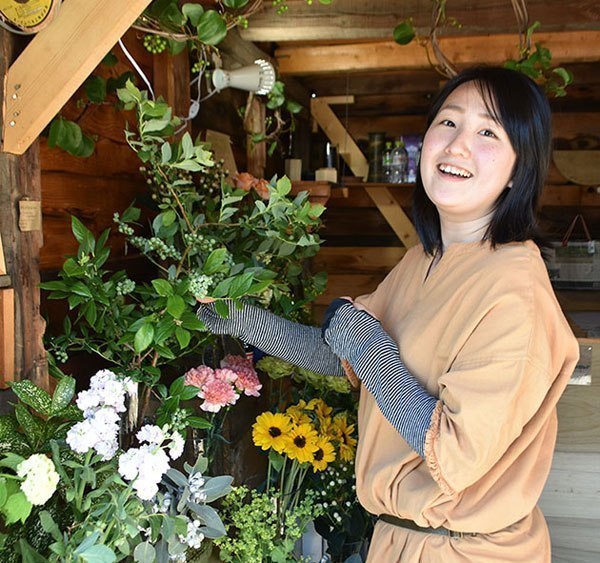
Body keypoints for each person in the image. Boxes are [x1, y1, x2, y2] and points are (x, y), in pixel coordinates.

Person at [198, 67, 579, 562]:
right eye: (448, 123)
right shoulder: (428, 257)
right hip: (401, 540)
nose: (458, 145)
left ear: (518, 168)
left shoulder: (514, 292)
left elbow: (454, 453)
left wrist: (365, 345)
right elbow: (343, 354)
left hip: (466, 552)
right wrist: (239, 318)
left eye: (488, 131)